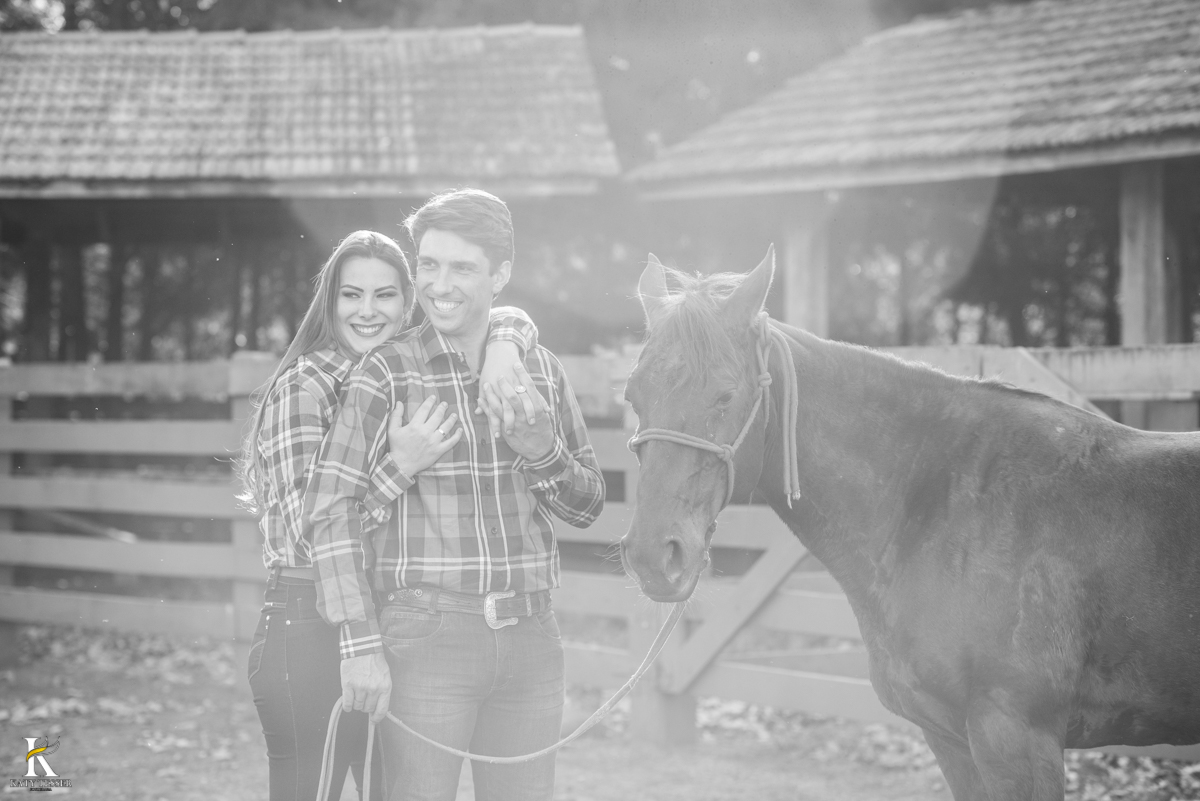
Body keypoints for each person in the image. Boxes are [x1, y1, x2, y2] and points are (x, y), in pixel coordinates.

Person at [308, 189, 605, 801]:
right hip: (425, 637)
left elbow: (588, 503)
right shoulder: (387, 371)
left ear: (501, 275)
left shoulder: (540, 371)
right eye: (429, 265)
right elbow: (331, 511)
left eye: (462, 268)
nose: (439, 285)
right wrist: (360, 645)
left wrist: (542, 451)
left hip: (531, 638)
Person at [238, 229, 540, 801]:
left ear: (410, 304)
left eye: (386, 296)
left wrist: (506, 342)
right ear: (330, 302)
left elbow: (504, 315)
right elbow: (309, 528)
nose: (368, 312)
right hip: (307, 624)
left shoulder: (399, 376)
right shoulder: (307, 385)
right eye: (352, 295)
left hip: (387, 622)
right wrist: (400, 468)